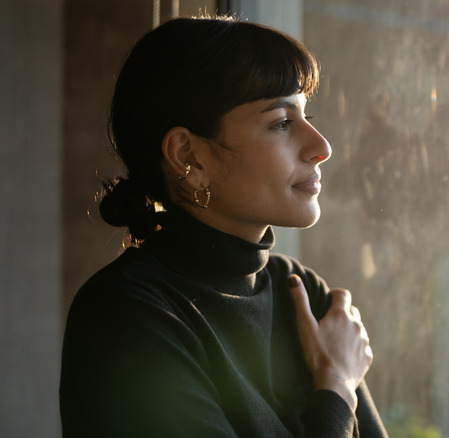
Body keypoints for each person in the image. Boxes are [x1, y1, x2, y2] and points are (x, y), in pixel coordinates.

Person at [59, 16, 387, 437]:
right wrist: (338, 388)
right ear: (188, 155)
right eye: (281, 123)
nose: (321, 147)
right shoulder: (124, 316)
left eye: (305, 115)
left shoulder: (302, 293)